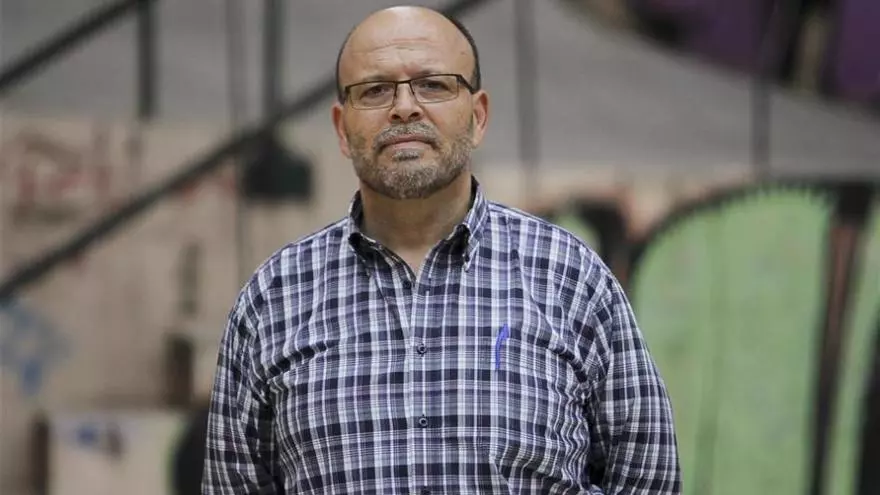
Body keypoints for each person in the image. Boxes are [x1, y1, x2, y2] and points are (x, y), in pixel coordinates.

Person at [202, 5, 681, 494]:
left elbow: (649, 479)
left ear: (478, 117)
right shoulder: (274, 298)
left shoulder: (571, 279)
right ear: (342, 128)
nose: (404, 107)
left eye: (433, 85)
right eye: (375, 90)